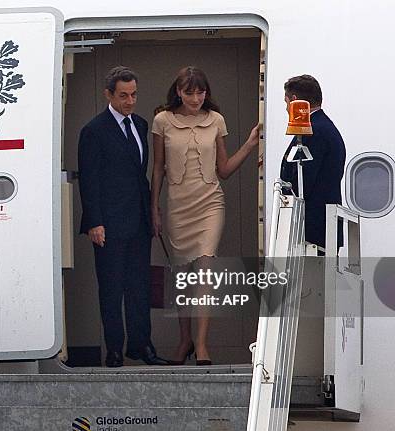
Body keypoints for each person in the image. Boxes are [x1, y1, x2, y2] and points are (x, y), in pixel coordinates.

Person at [151, 66, 260, 365]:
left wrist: (250, 145)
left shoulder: (216, 120)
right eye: (190, 92)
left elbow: (223, 170)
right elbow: (157, 167)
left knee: (205, 271)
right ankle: (184, 339)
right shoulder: (162, 121)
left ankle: (201, 344)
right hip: (177, 204)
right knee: (181, 277)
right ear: (178, 92)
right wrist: (154, 207)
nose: (196, 98)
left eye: (201, 92)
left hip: (210, 201)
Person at [78, 66, 169, 367]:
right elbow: (90, 180)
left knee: (140, 287)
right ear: (109, 94)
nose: (129, 101)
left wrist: (152, 214)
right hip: (109, 223)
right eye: (123, 96)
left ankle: (141, 345)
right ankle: (114, 348)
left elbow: (140, 175)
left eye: (133, 95)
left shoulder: (140, 124)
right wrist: (94, 221)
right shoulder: (94, 130)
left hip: (138, 220)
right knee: (112, 287)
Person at [280, 74, 346, 249]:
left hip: (314, 230)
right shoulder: (324, 127)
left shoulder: (313, 131)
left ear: (294, 101)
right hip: (323, 227)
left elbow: (304, 180)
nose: (286, 109)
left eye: (286, 103)